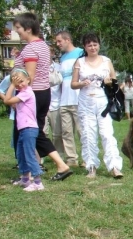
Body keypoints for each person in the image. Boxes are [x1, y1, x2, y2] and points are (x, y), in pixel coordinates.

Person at [12, 12, 73, 181]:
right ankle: (48, 167)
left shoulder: (31, 48)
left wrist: (18, 96)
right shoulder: (42, 46)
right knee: (37, 132)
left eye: (18, 28)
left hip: (32, 95)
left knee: (27, 133)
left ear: (28, 28)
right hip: (42, 93)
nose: (16, 31)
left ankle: (33, 172)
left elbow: (29, 77)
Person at [71, 33, 124, 179]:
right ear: (85, 47)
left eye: (95, 44)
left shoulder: (106, 61)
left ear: (99, 45)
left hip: (103, 103)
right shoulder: (79, 62)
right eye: (89, 45)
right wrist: (82, 83)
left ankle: (114, 167)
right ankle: (91, 167)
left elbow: (114, 82)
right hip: (86, 102)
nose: (92, 47)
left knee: (107, 134)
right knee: (88, 134)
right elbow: (73, 84)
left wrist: (109, 82)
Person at [3, 69, 45, 191]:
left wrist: (11, 85)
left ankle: (37, 182)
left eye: (21, 81)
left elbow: (7, 100)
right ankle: (25, 179)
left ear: (28, 80)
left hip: (29, 128)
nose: (19, 85)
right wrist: (13, 84)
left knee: (29, 154)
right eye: (16, 83)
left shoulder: (26, 93)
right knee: (21, 154)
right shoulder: (21, 93)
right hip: (23, 129)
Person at [55, 30, 84, 167]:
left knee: (81, 131)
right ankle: (71, 159)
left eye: (59, 41)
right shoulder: (62, 58)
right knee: (66, 132)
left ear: (68, 40)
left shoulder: (80, 53)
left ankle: (86, 158)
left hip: (78, 100)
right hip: (64, 101)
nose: (57, 44)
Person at [45, 48, 62, 147]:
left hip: (56, 103)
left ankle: (58, 154)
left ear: (52, 53)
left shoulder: (59, 67)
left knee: (57, 133)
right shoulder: (37, 67)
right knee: (43, 132)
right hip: (41, 104)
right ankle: (41, 156)